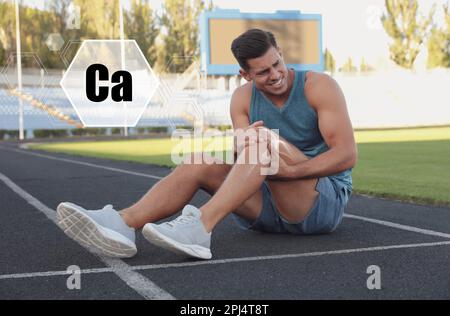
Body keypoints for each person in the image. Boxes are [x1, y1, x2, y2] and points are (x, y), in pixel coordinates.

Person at [56, 29, 357, 260]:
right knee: (200, 160)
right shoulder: (242, 98)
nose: (276, 75)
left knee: (260, 138)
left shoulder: (318, 86)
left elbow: (346, 155)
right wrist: (243, 147)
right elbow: (245, 159)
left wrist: (290, 171)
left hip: (319, 205)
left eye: (277, 63)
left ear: (280, 52)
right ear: (245, 74)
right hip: (268, 208)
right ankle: (123, 223)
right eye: (263, 72)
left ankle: (200, 226)